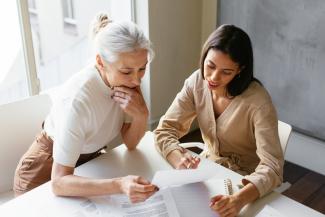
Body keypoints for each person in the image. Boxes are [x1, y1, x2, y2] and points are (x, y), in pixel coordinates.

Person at [14, 13, 158, 203]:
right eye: (126, 71)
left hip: (87, 164)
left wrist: (142, 115)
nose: (136, 79)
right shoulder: (78, 100)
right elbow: (58, 182)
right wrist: (119, 184)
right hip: (43, 172)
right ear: (100, 62)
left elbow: (130, 143)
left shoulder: (128, 81)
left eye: (142, 68)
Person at [154, 24, 284, 216]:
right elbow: (165, 130)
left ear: (240, 70)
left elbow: (273, 168)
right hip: (207, 171)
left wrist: (238, 200)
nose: (213, 77)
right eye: (210, 66)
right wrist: (177, 158)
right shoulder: (197, 82)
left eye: (226, 72)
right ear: (204, 56)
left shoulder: (258, 103)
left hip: (245, 183)